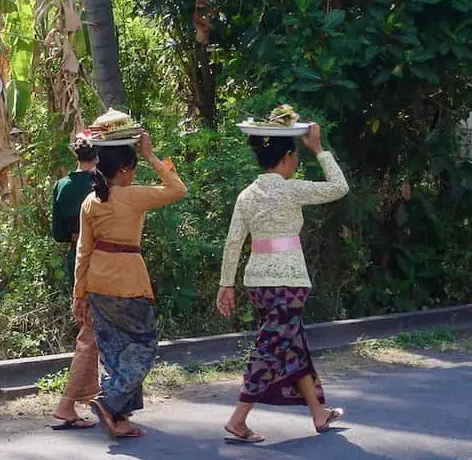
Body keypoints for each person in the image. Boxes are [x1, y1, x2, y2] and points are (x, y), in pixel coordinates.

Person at [216, 123, 349, 443]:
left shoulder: (246, 195)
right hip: (288, 283)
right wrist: (319, 149)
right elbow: (339, 187)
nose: (298, 162)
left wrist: (226, 284)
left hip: (258, 284)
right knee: (271, 348)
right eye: (298, 156)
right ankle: (237, 420)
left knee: (292, 345)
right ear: (288, 157)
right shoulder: (292, 189)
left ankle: (318, 412)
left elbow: (233, 243)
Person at [73, 132, 187, 438]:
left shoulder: (90, 201)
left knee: (113, 351)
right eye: (134, 167)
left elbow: (83, 251)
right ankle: (110, 402)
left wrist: (79, 293)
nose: (135, 173)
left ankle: (120, 418)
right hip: (128, 280)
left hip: (97, 281)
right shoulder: (132, 195)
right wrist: (151, 156)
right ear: (123, 169)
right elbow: (177, 189)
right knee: (144, 344)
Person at [50, 135, 100, 429]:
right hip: (102, 257)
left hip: (75, 256)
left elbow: (57, 232)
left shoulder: (62, 185)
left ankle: (94, 398)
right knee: (93, 334)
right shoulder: (103, 184)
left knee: (87, 325)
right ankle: (69, 404)